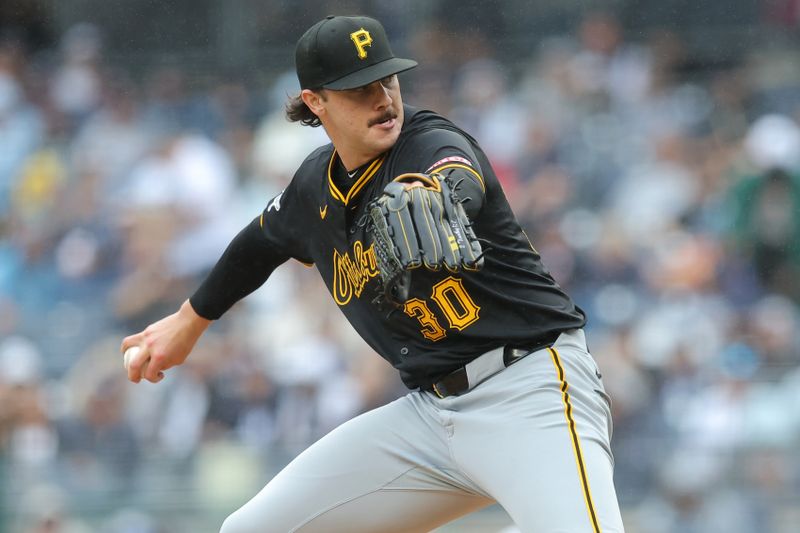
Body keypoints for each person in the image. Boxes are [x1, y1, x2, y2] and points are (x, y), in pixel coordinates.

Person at [121, 15, 625, 532]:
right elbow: (258, 243)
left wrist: (441, 197)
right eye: (359, 89)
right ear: (316, 101)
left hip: (530, 391)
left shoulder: (425, 142)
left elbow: (457, 171)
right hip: (430, 420)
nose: (382, 98)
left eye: (387, 79)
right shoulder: (313, 188)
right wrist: (189, 322)